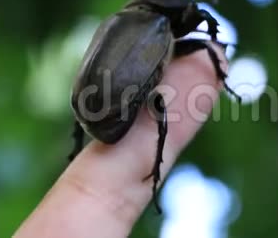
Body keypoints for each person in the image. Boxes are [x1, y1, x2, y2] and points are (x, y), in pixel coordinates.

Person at [14, 47, 225, 238]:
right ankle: (153, 170)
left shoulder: (122, 21)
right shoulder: (161, 29)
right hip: (113, 103)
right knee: (160, 116)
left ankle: (145, 168)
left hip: (98, 102)